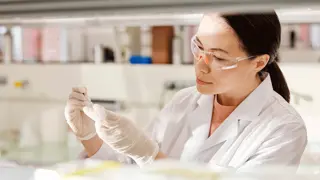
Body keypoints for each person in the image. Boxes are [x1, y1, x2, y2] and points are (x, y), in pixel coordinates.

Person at [65, 11, 307, 171]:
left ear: (258, 62)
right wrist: (89, 137)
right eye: (198, 47)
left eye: (219, 57)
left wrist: (149, 155)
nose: (201, 65)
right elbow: (131, 167)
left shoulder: (283, 128)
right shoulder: (184, 101)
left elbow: (146, 157)